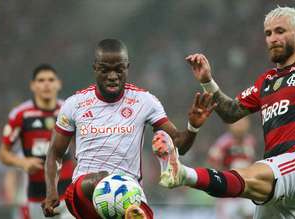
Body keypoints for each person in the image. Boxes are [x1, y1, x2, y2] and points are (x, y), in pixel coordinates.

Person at [153, 6, 295, 219]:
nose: (272, 38)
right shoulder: (266, 81)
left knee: (252, 174)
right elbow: (230, 112)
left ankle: (184, 174)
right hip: (276, 177)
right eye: (268, 33)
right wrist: (207, 81)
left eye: (280, 31)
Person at [41, 39, 216, 219]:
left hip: (129, 192)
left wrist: (193, 126)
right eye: (105, 69)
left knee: (135, 207)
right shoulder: (74, 104)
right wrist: (51, 191)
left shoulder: (145, 102)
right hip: (84, 192)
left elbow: (179, 145)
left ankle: (130, 210)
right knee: (100, 178)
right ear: (95, 68)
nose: (112, 76)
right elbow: (55, 152)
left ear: (127, 68)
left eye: (119, 69)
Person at [0, 64, 75, 219]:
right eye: (41, 80)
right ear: (33, 86)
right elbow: (3, 154)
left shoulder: (69, 110)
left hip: (68, 194)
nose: (46, 84)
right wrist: (23, 163)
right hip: (36, 197)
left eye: (51, 80)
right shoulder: (21, 115)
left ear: (58, 84)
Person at [207, 117, 256, 219]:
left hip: (246, 189)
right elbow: (213, 160)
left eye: (243, 123)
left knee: (251, 214)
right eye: (238, 123)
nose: (241, 126)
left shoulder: (250, 140)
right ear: (230, 125)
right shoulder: (223, 142)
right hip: (228, 192)